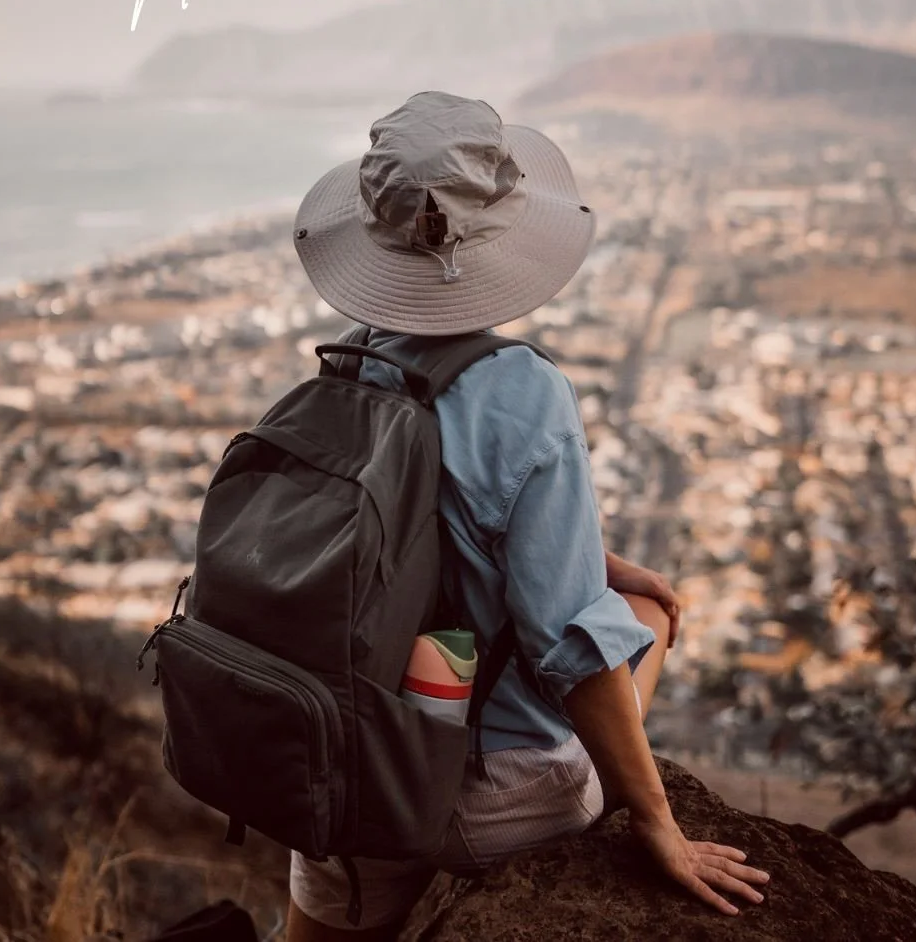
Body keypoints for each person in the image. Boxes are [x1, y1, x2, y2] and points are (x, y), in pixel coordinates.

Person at [286, 91, 768, 940]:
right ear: (504, 234)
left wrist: (598, 559)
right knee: (643, 617)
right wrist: (656, 819)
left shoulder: (347, 364)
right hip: (473, 790)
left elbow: (413, 532)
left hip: (343, 760)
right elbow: (572, 647)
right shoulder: (523, 394)